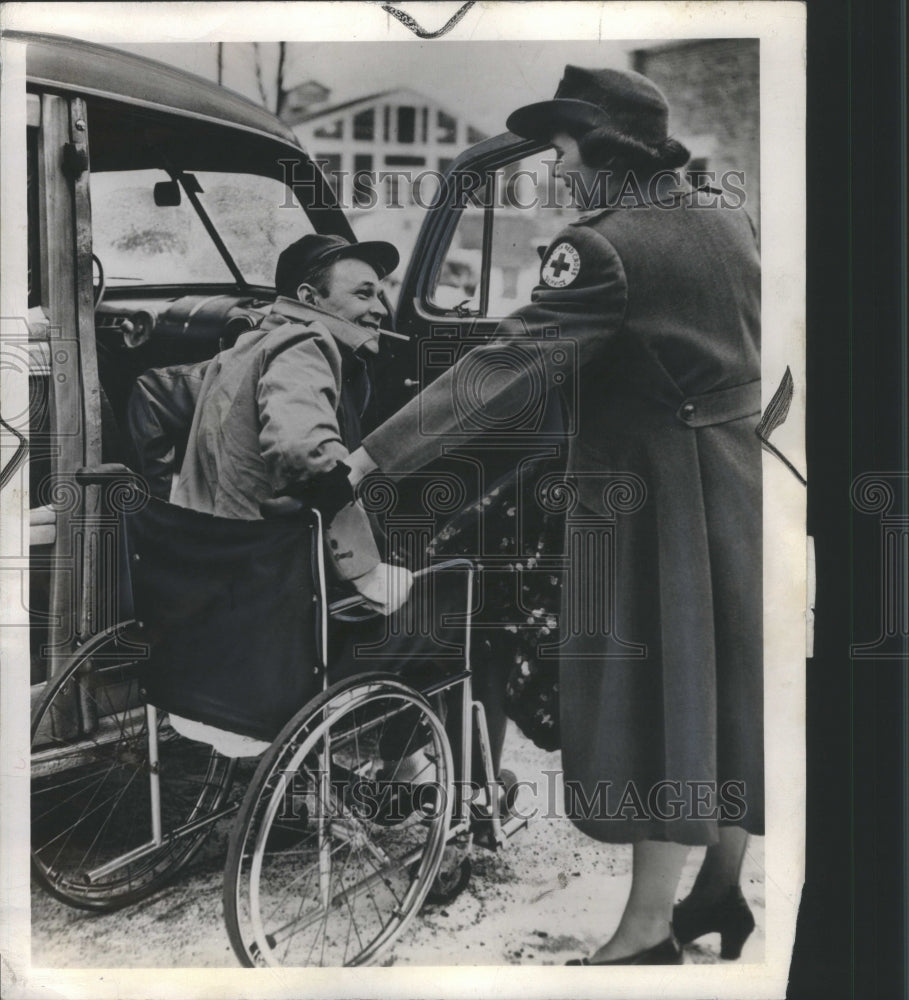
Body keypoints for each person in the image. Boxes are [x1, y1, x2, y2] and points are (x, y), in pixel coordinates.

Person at [346, 65, 762, 964]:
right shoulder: (724, 215)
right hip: (731, 481)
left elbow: (503, 368)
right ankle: (720, 890)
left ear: (605, 149)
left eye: (565, 151)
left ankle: (647, 930)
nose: (556, 172)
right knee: (723, 687)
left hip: (655, 497)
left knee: (654, 698)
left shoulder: (603, 247)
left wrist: (373, 453)